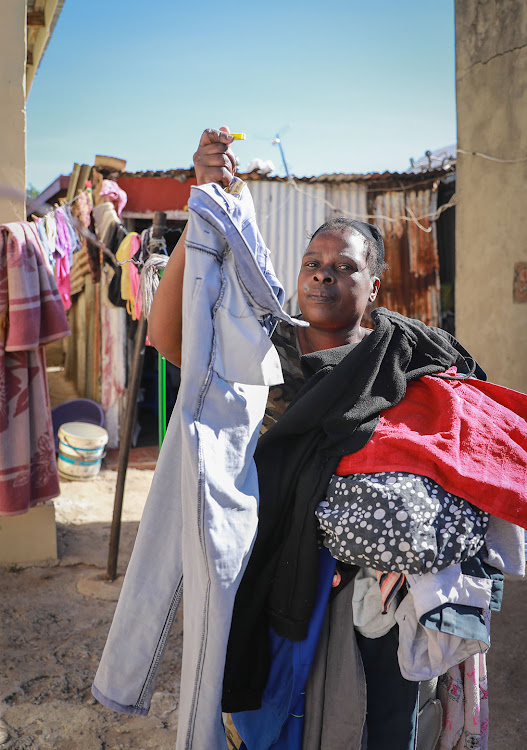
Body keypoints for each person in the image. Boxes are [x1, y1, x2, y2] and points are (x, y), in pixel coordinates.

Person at [147, 128, 521, 750]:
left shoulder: (401, 367)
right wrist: (203, 208)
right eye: (313, 265)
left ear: (374, 287)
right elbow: (168, 337)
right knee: (280, 719)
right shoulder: (265, 352)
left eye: (345, 268)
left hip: (377, 600)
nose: (324, 277)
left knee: (383, 725)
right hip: (274, 579)